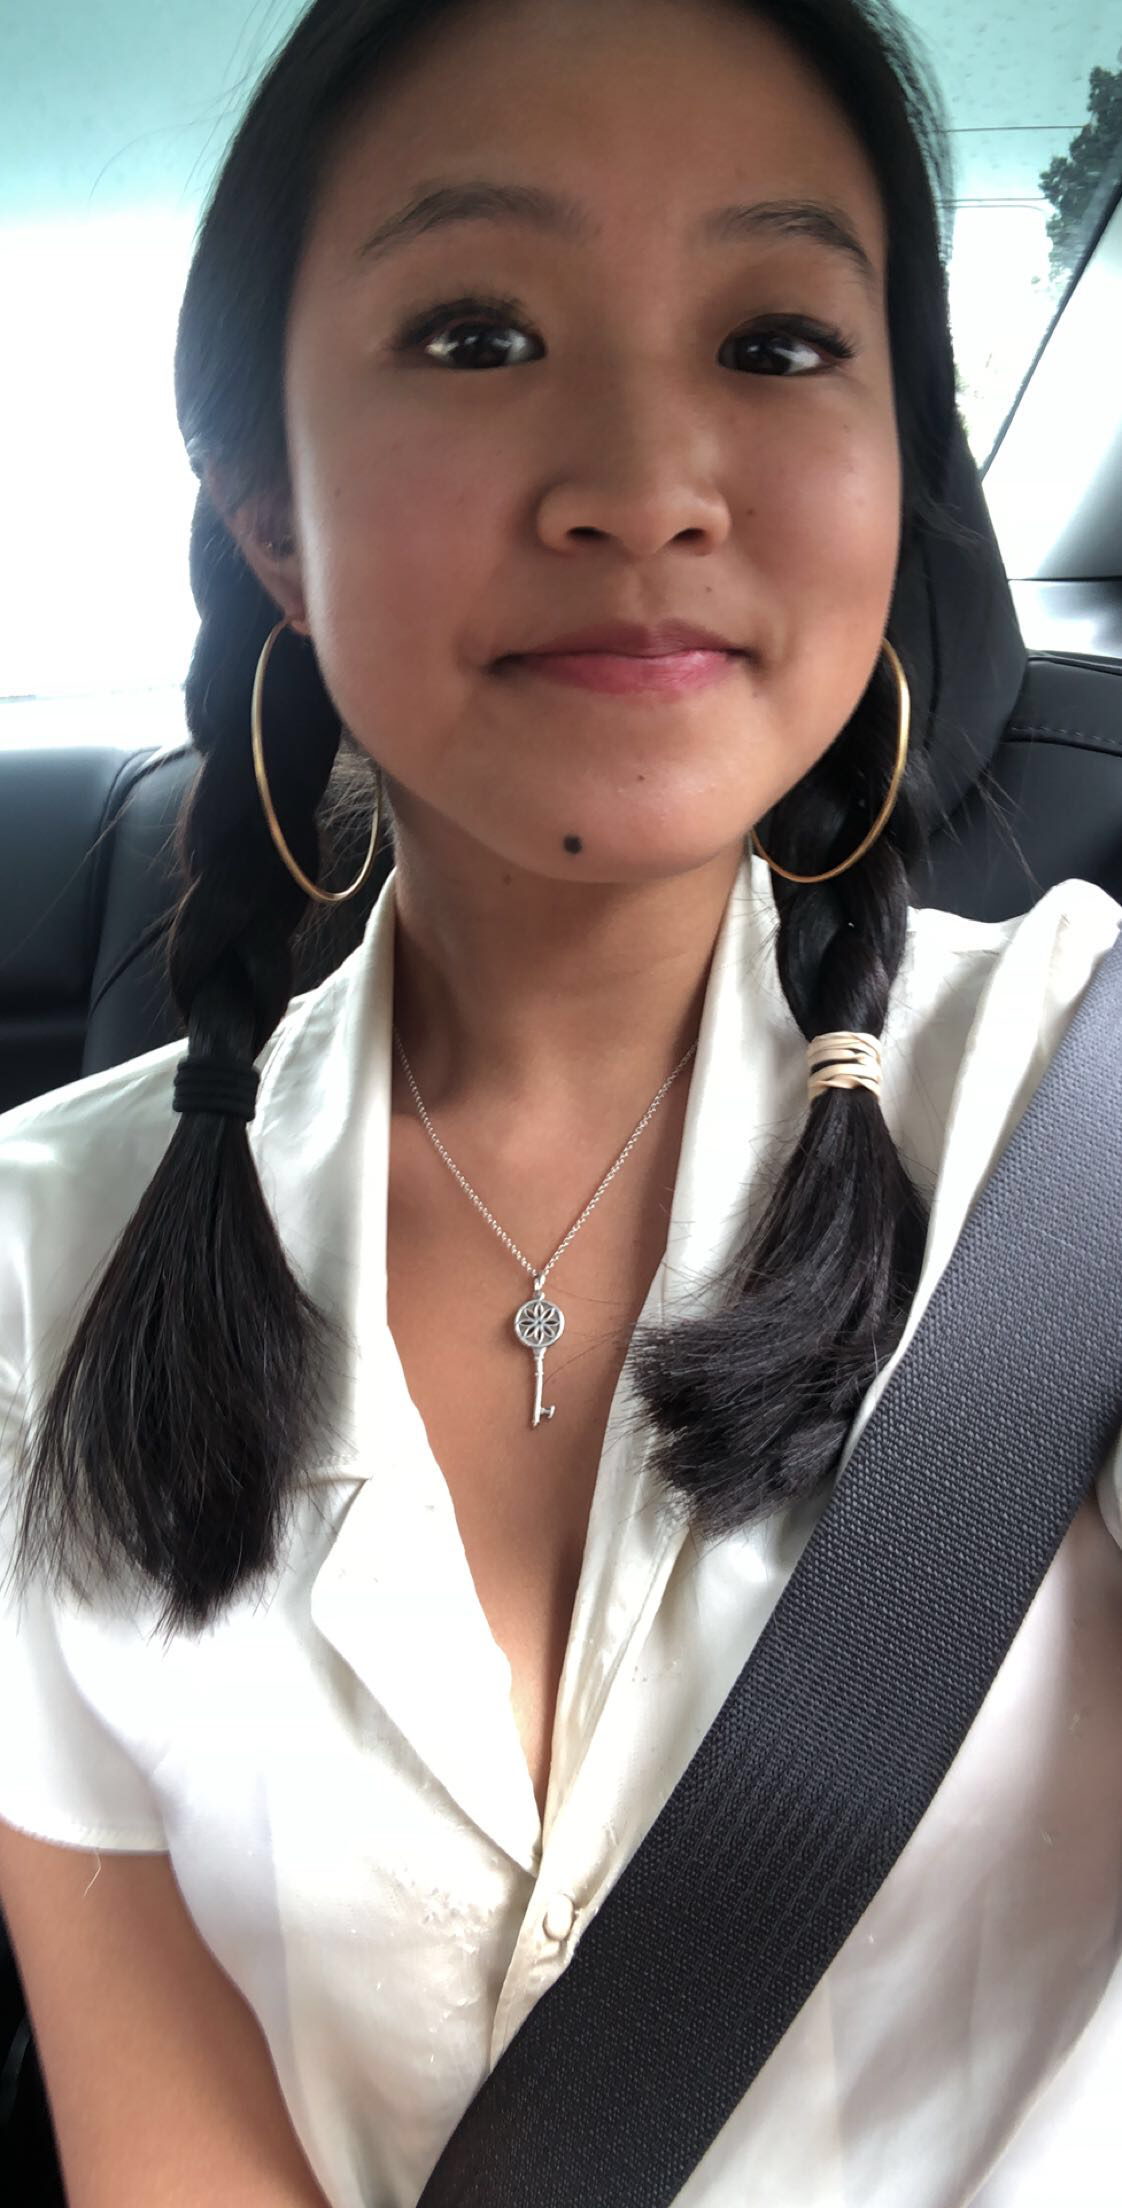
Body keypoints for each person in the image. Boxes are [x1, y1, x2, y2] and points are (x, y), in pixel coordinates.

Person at [1, 0, 1120, 2201]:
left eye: (778, 344)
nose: (645, 484)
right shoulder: (41, 1262)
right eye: (478, 334)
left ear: (898, 480)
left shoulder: (1085, 1131)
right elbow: (163, 2128)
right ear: (268, 515)